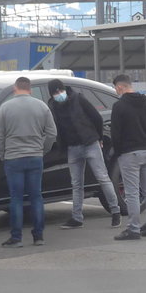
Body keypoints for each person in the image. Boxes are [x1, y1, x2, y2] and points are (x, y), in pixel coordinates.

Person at [46, 78, 121, 229]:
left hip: (90, 143)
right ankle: (77, 217)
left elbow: (96, 118)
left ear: (64, 89)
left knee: (103, 178)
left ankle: (115, 212)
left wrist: (99, 137)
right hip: (72, 148)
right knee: (76, 184)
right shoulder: (53, 105)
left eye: (60, 91)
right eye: (55, 92)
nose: (58, 94)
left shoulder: (78, 99)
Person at [0, 76, 57, 248]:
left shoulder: (5, 108)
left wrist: (3, 154)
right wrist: (42, 150)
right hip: (35, 157)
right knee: (36, 196)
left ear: (15, 88)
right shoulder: (42, 106)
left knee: (16, 198)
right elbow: (52, 133)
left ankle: (16, 238)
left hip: (13, 158)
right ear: (30, 89)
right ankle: (38, 237)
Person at [110, 74, 146, 240]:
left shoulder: (119, 106)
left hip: (129, 152)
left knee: (132, 193)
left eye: (116, 88)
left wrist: (118, 152)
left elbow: (115, 133)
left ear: (120, 87)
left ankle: (133, 229)